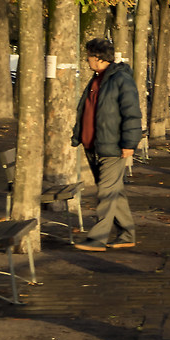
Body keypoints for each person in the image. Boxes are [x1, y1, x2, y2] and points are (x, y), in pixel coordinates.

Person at [70, 37, 142, 251]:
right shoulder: (96, 79)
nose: (87, 60)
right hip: (93, 144)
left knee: (106, 192)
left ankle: (98, 237)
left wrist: (129, 143)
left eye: (89, 56)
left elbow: (132, 114)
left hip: (112, 146)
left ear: (98, 57)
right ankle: (127, 234)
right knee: (114, 191)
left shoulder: (120, 79)